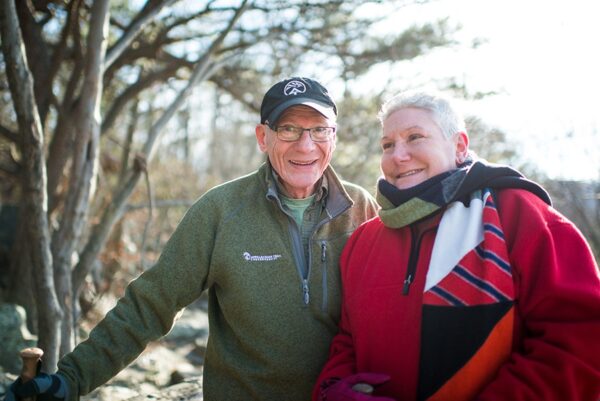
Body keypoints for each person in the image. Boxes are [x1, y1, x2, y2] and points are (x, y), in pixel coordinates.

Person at [4, 77, 378, 401]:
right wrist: (70, 380)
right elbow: (150, 305)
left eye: (319, 129)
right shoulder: (220, 211)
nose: (305, 145)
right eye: (289, 129)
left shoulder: (360, 208)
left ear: (334, 136)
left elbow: (391, 307)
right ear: (263, 137)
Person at [313, 90, 600, 401]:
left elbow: (580, 339)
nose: (398, 155)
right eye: (387, 145)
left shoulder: (517, 214)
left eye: (415, 137)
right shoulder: (364, 240)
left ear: (460, 146)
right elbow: (348, 340)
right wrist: (334, 389)